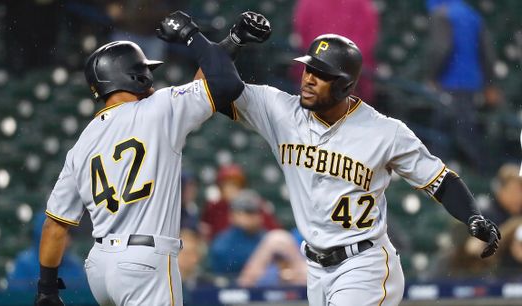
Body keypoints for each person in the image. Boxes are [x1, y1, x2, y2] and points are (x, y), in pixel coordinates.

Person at [201, 20, 501, 304]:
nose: (308, 79)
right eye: (308, 69)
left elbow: (440, 181)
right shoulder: (280, 111)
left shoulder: (384, 131)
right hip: (315, 268)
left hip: (364, 265)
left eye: (321, 74)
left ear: (345, 86)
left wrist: (472, 217)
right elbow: (210, 88)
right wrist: (232, 41)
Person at [33, 10, 250, 306]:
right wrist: (197, 38)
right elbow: (224, 83)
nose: (151, 80)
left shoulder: (81, 146)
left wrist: (47, 288)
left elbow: (54, 225)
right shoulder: (159, 109)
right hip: (145, 261)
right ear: (134, 76)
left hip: (99, 266)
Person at [424, 0, 501, 173]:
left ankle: (436, 177)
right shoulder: (471, 14)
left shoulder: (442, 14)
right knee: (464, 129)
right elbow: (486, 51)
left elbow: (441, 48)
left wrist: (432, 76)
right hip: (471, 83)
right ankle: (483, 171)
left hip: (450, 81)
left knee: (444, 131)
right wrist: (490, 82)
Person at [292, 0, 379, 104]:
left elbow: (303, 33)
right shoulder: (362, 4)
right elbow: (365, 40)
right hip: (346, 78)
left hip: (317, 72)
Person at [7, 214, 87, 291]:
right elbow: (18, 298)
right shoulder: (24, 264)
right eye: (63, 234)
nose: (68, 241)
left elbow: (83, 298)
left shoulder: (74, 266)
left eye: (69, 234)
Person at [200, 164, 280, 241]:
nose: (232, 189)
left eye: (236, 184)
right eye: (227, 185)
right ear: (221, 188)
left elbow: (275, 234)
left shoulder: (255, 204)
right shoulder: (213, 208)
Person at [208, 189, 268, 277]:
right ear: (233, 215)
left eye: (255, 212)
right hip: (231, 286)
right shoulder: (224, 241)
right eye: (247, 212)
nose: (252, 217)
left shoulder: (266, 236)